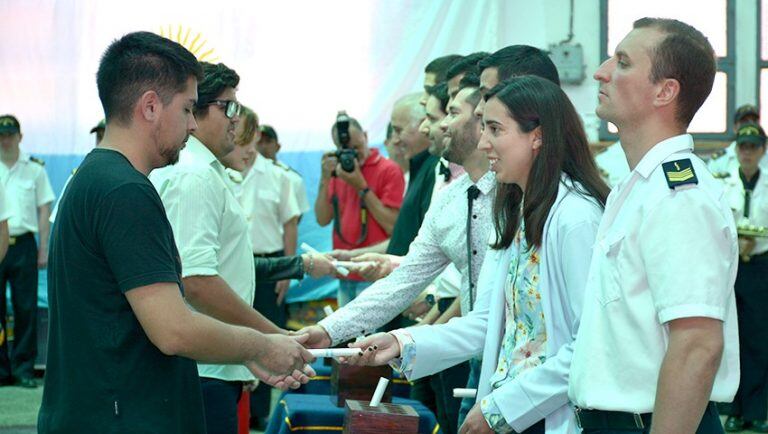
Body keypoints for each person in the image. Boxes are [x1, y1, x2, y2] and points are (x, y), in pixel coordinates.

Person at [38, 31, 314, 434]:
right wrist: (261, 345)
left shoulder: (94, 177)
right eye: (187, 109)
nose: (191, 125)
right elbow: (173, 329)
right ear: (150, 106)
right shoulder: (125, 191)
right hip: (123, 417)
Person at [347, 74, 609, 434]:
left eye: (495, 129)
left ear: (538, 136)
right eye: (483, 128)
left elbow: (588, 344)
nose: (483, 143)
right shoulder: (516, 211)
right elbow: (487, 322)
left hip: (548, 415)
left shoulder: (576, 216)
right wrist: (402, 341)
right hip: (513, 409)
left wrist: (501, 409)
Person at [568, 18, 739, 433]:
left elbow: (696, 344)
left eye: (623, 62)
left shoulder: (678, 196)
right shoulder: (639, 187)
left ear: (665, 91)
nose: (601, 71)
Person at [315, 115, 405, 305]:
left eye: (357, 147)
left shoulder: (389, 170)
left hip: (376, 273)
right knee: (343, 334)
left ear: (365, 136)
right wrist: (325, 179)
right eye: (346, 150)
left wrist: (360, 186)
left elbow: (393, 227)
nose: (354, 155)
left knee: (373, 335)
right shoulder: (338, 172)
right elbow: (322, 219)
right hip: (345, 272)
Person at [0, 114, 54, 389]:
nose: (5, 139)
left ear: (20, 136)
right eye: (2, 134)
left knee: (26, 308)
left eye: (10, 134)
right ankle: (1, 369)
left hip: (23, 245)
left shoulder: (34, 168)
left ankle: (23, 368)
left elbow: (44, 209)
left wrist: (43, 248)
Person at [720, 122, 768, 432]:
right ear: (737, 151)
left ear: (762, 151)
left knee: (759, 338)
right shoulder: (724, 186)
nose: (747, 153)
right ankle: (735, 410)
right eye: (743, 148)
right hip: (732, 266)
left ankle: (758, 411)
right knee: (731, 338)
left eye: (753, 148)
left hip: (761, 266)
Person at [257, 124, 311, 216]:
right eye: (259, 142)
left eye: (268, 141)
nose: (264, 146)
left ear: (277, 146)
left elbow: (297, 216)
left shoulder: (293, 179)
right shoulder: (241, 176)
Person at [708, 104, 767, 176]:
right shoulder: (719, 160)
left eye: (754, 121)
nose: (749, 125)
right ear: (735, 128)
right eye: (745, 121)